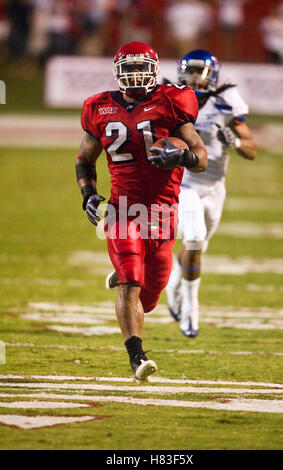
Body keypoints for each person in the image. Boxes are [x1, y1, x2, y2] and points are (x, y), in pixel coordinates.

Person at [75, 41, 207, 382]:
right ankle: (137, 356)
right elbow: (84, 159)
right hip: (122, 209)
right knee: (132, 281)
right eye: (128, 68)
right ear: (118, 72)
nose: (134, 74)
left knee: (148, 299)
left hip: (163, 213)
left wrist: (182, 157)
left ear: (153, 70)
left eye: (140, 67)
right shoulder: (99, 107)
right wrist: (89, 193)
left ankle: (125, 272)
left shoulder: (172, 101)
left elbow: (200, 156)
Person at [165, 49, 256, 338]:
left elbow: (251, 149)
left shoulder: (225, 101)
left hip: (215, 188)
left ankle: (173, 283)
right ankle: (191, 309)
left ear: (211, 74)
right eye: (189, 71)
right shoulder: (173, 99)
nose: (193, 77)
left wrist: (236, 143)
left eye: (198, 72)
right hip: (186, 184)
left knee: (197, 247)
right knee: (193, 240)